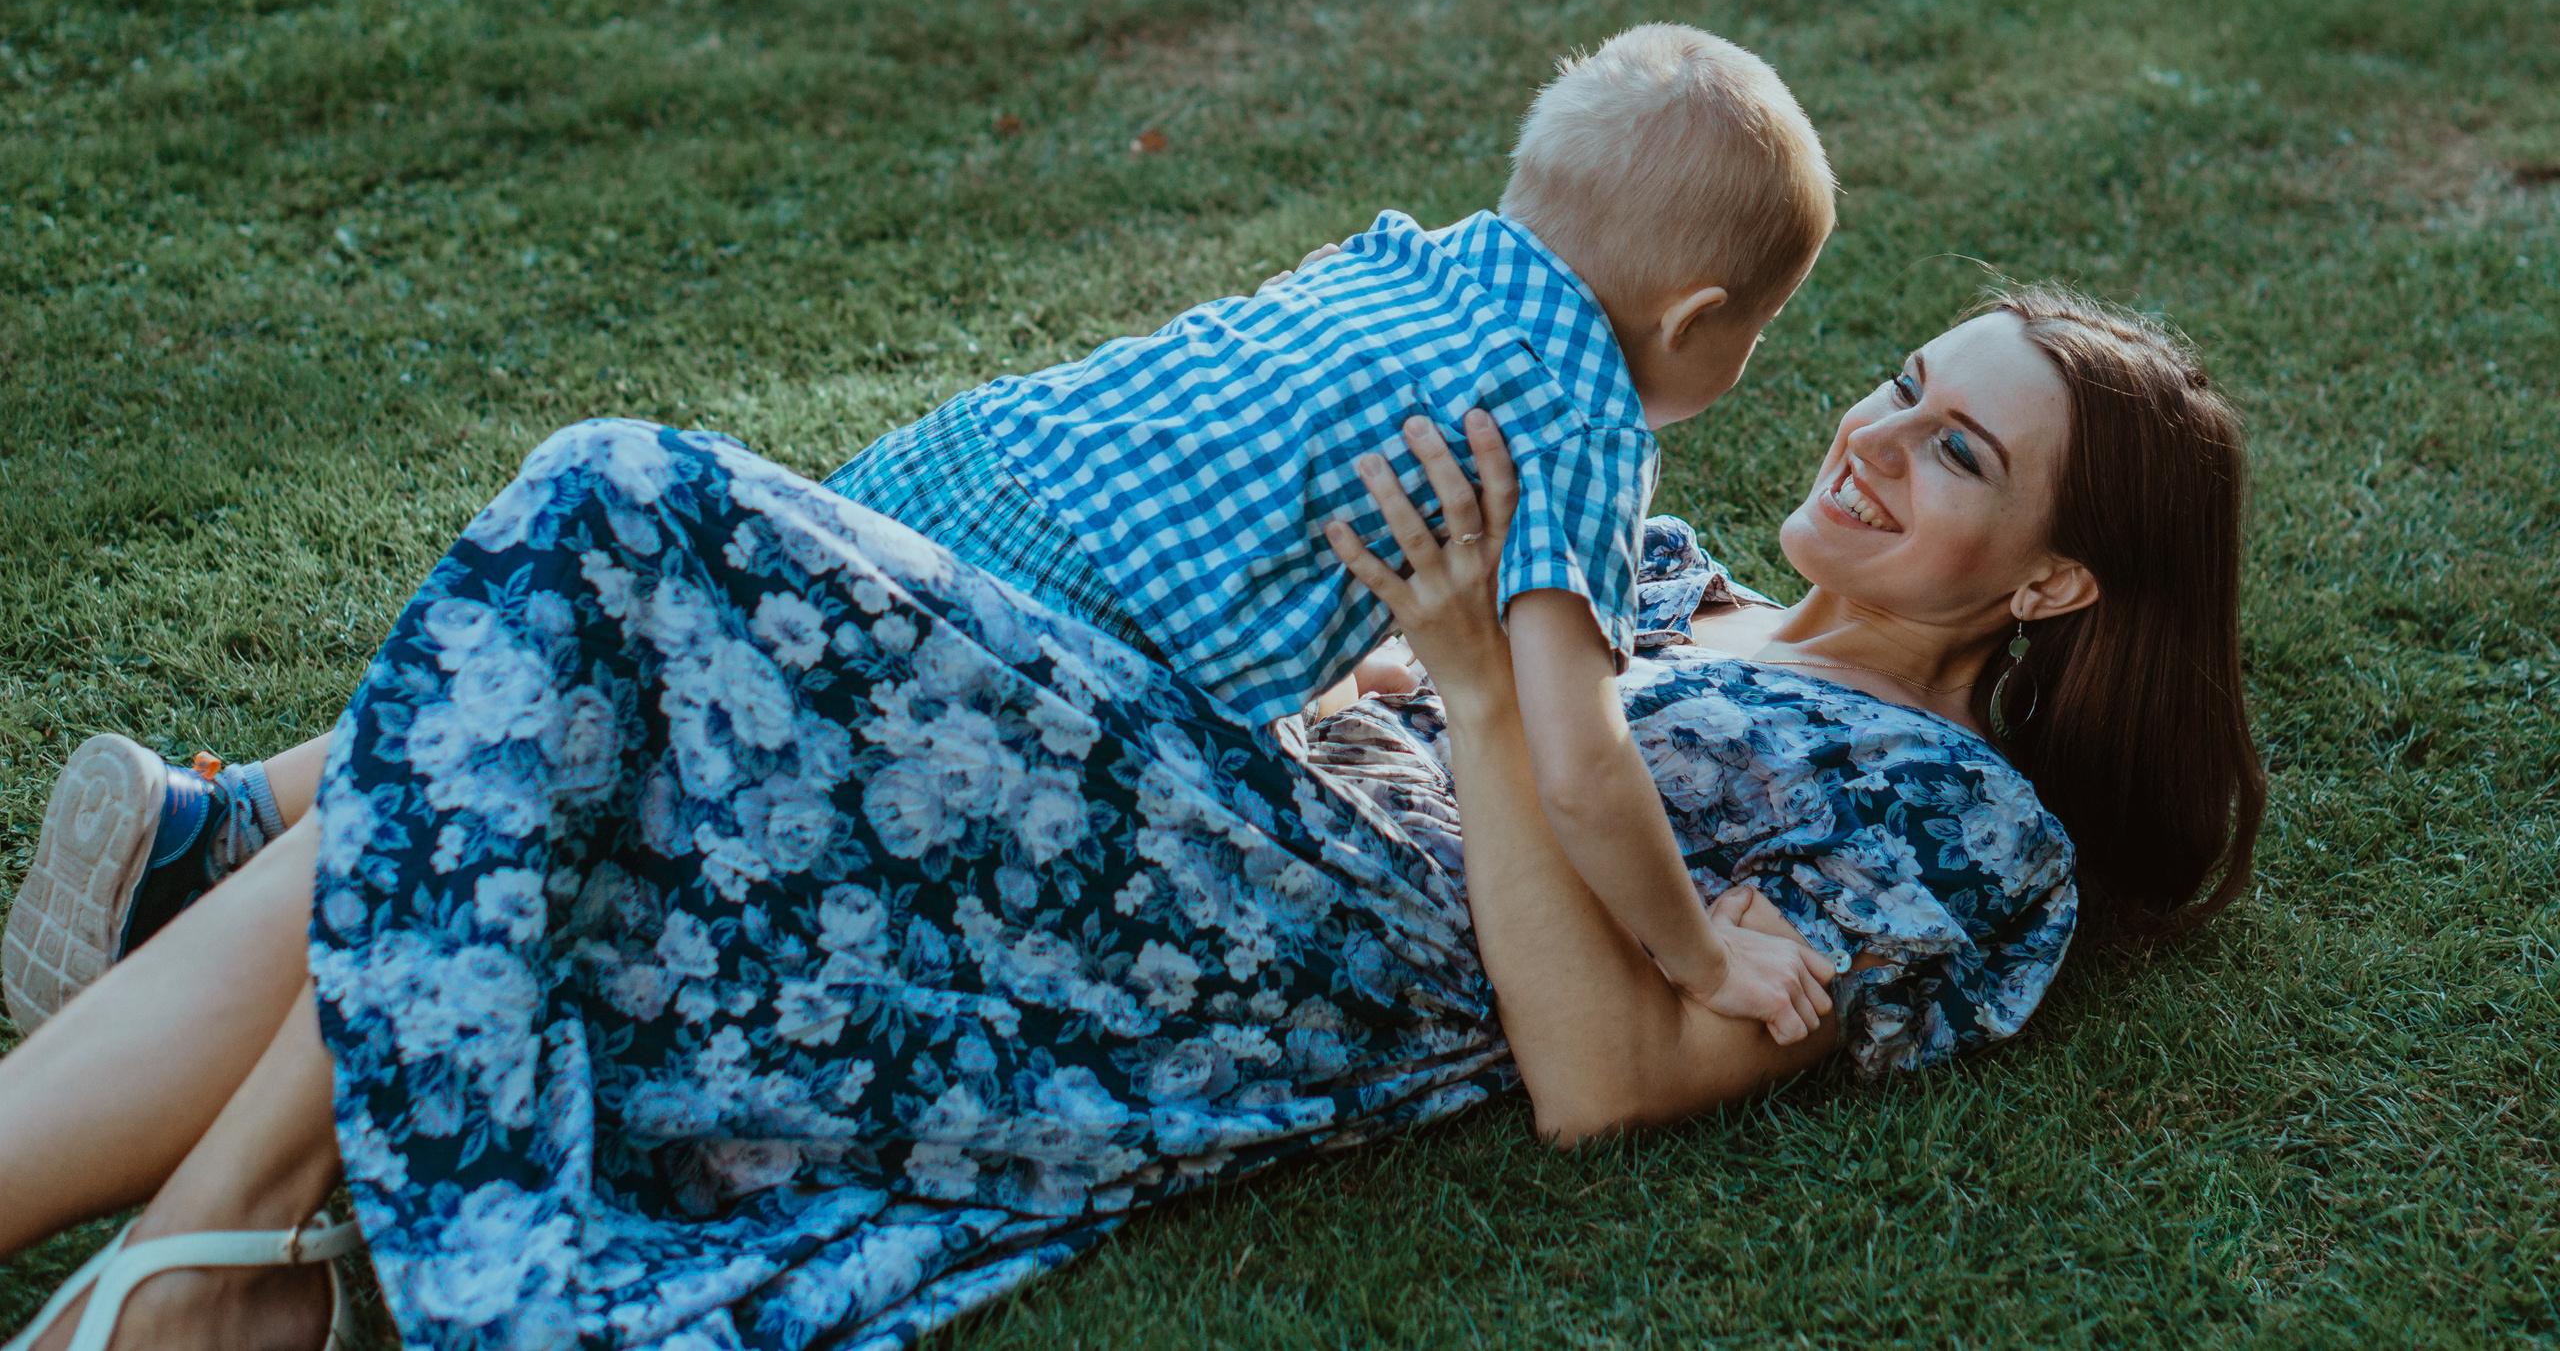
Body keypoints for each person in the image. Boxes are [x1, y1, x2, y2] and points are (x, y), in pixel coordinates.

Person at [0, 284, 2261, 1351]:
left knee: (618, 514)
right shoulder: (1658, 581)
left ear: (2055, 581)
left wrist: (1468, 677)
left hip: (1275, 947)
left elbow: (1594, 1074)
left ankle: (215, 1264)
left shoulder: (1957, 831)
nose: (1875, 433)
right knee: (546, 767)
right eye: (1898, 382)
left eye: (1955, 451)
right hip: (1162, 802)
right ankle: (188, 1274)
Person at [4, 22, 1843, 1046]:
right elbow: (1579, 764)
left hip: (967, 469)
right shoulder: (1586, 420)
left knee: (616, 647)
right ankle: (280, 982)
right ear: (1694, 324)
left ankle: (227, 817)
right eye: (1753, 337)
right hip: (1026, 636)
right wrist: (1700, 961)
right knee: (660, 784)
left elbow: (1269, 477)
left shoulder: (1408, 261)